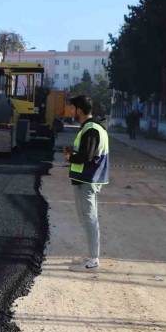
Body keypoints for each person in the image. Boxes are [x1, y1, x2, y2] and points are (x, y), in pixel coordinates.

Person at [63, 95, 109, 272]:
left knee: (89, 218)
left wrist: (70, 157)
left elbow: (86, 156)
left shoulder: (91, 129)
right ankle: (92, 254)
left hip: (87, 179)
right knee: (88, 217)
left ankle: (94, 258)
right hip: (87, 179)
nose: (71, 111)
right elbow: (87, 152)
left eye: (73, 108)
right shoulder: (91, 128)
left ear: (79, 110)